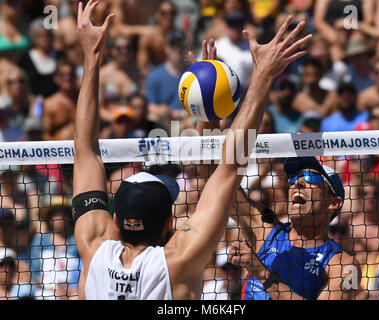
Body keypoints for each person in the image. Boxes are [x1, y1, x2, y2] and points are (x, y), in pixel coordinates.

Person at [72, 1, 311, 300]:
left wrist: (91, 55)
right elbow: (227, 170)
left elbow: (84, 150)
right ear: (169, 224)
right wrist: (262, 76)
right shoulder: (178, 259)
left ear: (116, 220)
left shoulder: (92, 247)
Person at [228, 156, 362, 300]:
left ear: (333, 203)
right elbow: (218, 184)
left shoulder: (348, 267)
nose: (297, 182)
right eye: (293, 178)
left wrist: (262, 273)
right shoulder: (264, 227)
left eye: (311, 177)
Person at [145, 30, 189, 127]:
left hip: (190, 124)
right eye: (173, 45)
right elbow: (149, 106)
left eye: (181, 45)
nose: (178, 49)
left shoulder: (194, 75)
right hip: (164, 126)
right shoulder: (155, 76)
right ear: (166, 48)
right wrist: (165, 111)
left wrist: (184, 115)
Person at [18, 18, 59, 98]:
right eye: (40, 36)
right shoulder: (25, 60)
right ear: (34, 38)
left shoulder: (60, 56)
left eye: (47, 35)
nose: (44, 39)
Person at [42, 59, 78, 141]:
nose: (68, 78)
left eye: (71, 74)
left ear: (76, 76)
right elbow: (45, 134)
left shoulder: (84, 101)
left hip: (84, 150)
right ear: (56, 78)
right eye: (63, 75)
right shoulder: (49, 104)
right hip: (60, 151)